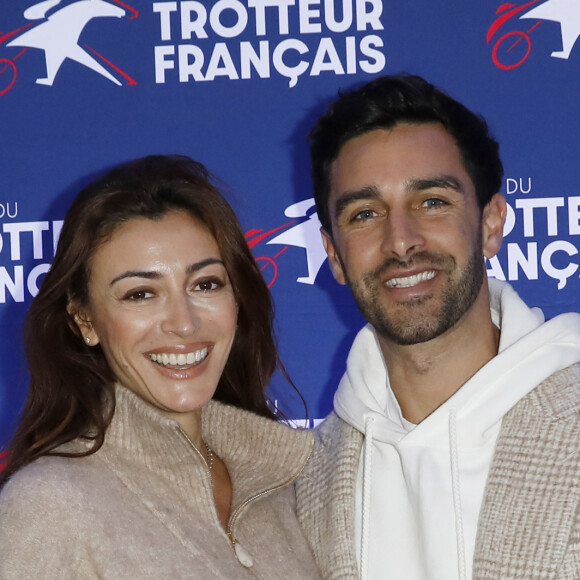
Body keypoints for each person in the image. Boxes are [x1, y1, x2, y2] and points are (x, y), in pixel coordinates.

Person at [294, 75, 580, 580]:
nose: (401, 241)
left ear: (491, 223)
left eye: (431, 202)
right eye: (365, 213)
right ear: (334, 255)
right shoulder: (305, 484)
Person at [0, 155, 321, 579]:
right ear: (85, 320)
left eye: (205, 284)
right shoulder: (49, 505)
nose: (184, 323)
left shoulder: (293, 486)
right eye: (140, 294)